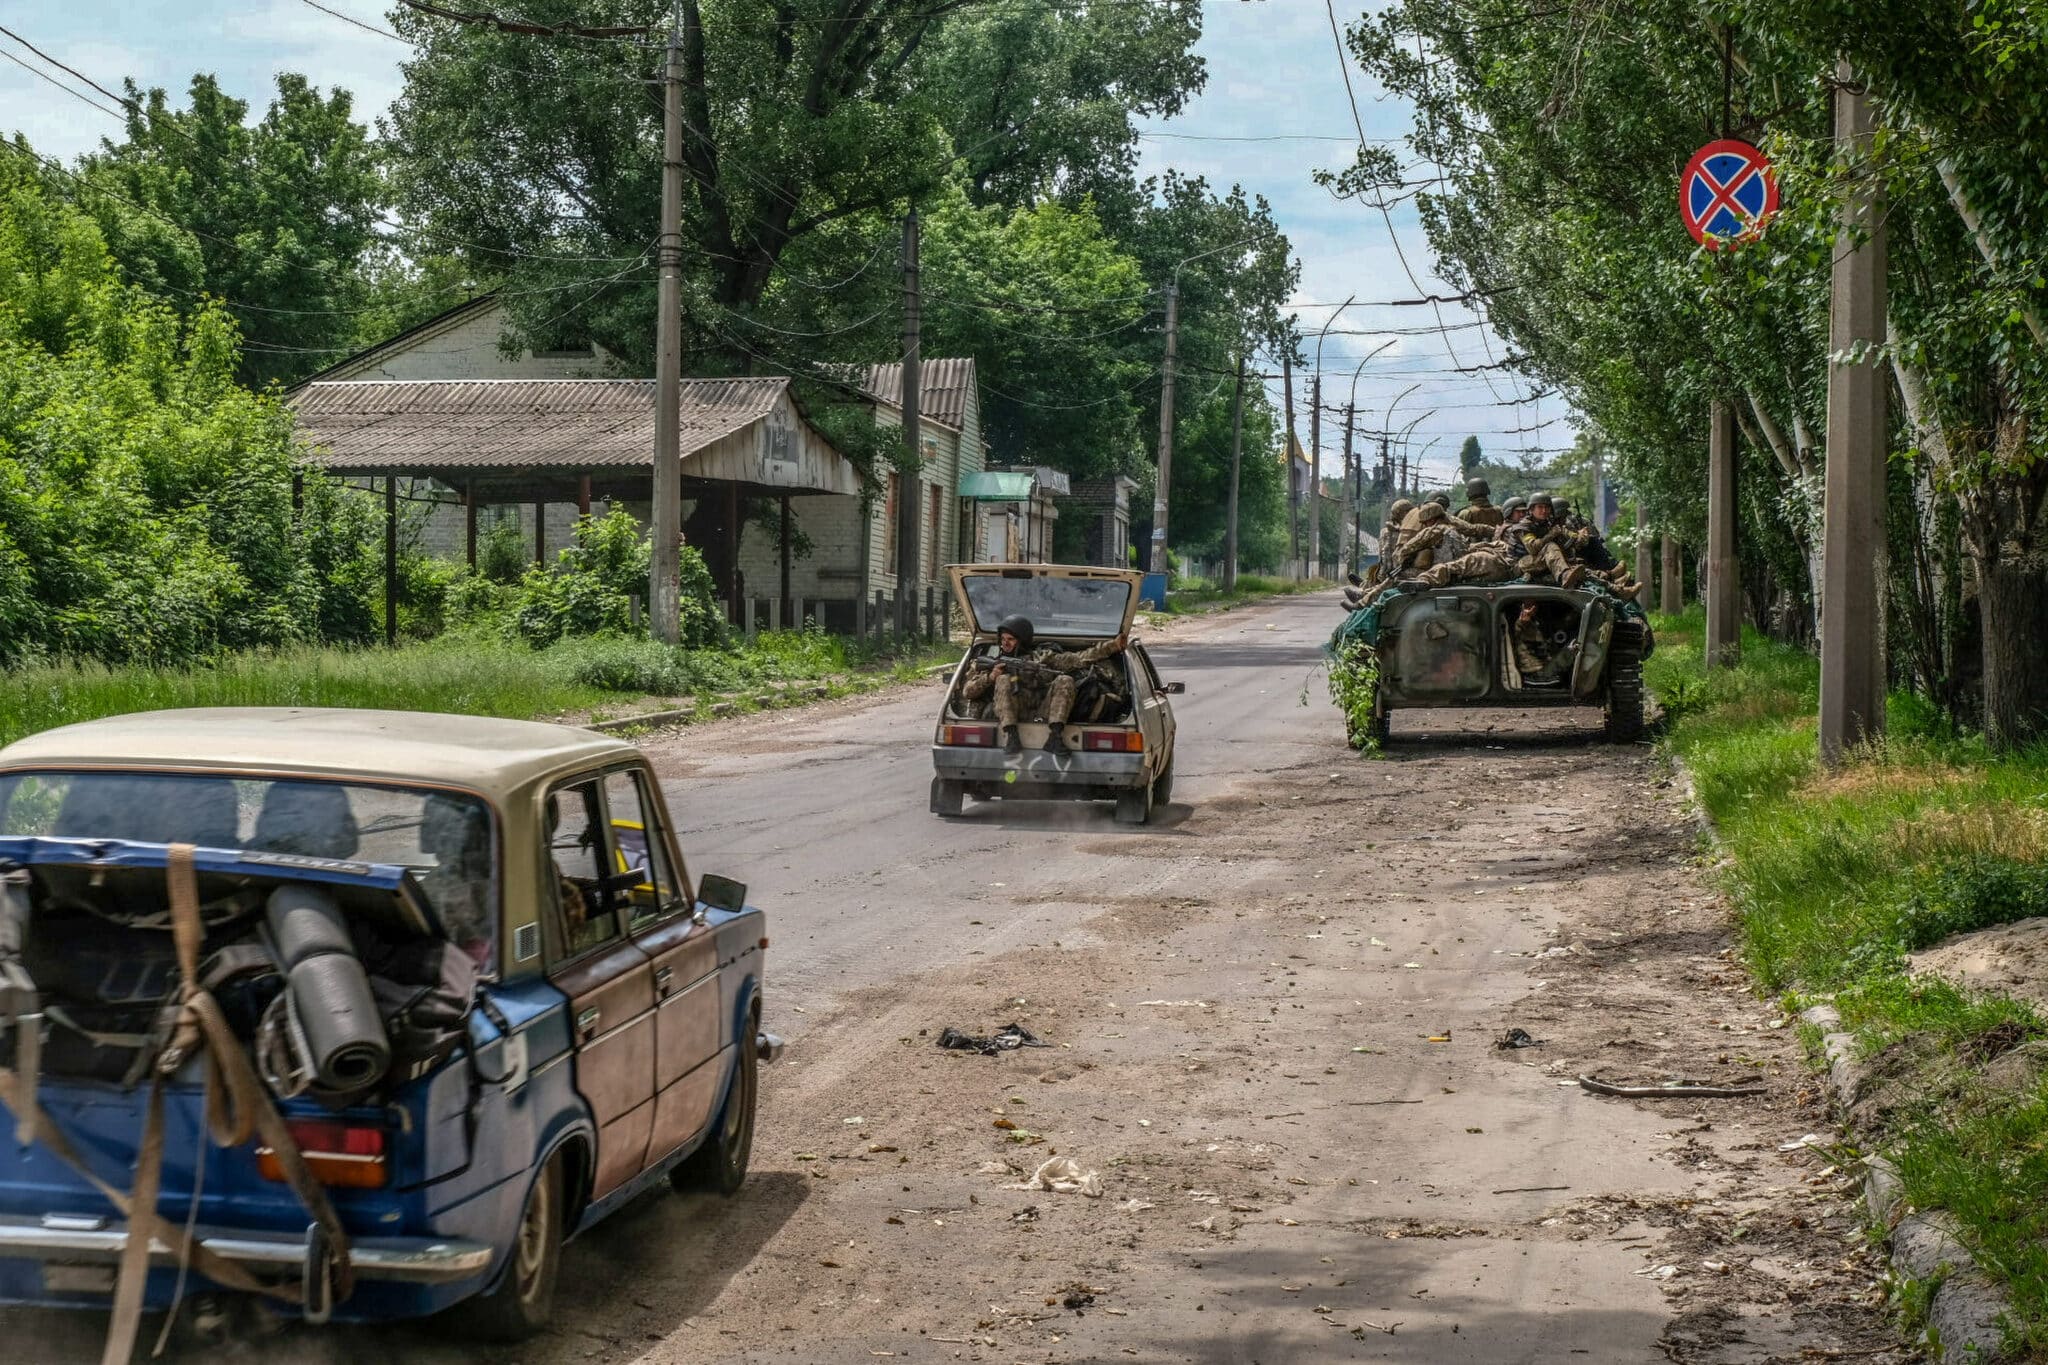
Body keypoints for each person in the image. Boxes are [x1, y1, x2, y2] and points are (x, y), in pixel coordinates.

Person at [957, 615, 1129, 755]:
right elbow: (968, 692)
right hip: (1009, 714)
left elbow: (1080, 658)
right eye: (1002, 639)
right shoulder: (994, 664)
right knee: (1004, 680)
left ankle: (1055, 737)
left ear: (1022, 640)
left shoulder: (1042, 658)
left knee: (1065, 680)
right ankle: (1012, 737)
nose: (1005, 643)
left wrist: (1113, 646)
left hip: (1042, 712)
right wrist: (991, 677)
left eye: (1010, 639)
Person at [1507, 494, 1585, 588]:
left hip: (1537, 562)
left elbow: (1569, 534)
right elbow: (1532, 548)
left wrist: (1580, 537)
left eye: (1547, 507)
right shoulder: (1523, 526)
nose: (1544, 511)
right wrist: (1550, 535)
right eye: (1540, 507)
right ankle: (1565, 576)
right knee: (1550, 546)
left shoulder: (1548, 523)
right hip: (1519, 564)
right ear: (1531, 509)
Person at [1511, 599, 1577, 685]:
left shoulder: (1537, 622)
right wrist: (1522, 621)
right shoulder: (1521, 624)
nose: (1532, 608)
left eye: (1534, 605)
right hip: (1535, 674)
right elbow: (1519, 628)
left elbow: (1559, 626)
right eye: (1528, 606)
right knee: (1572, 650)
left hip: (1543, 666)